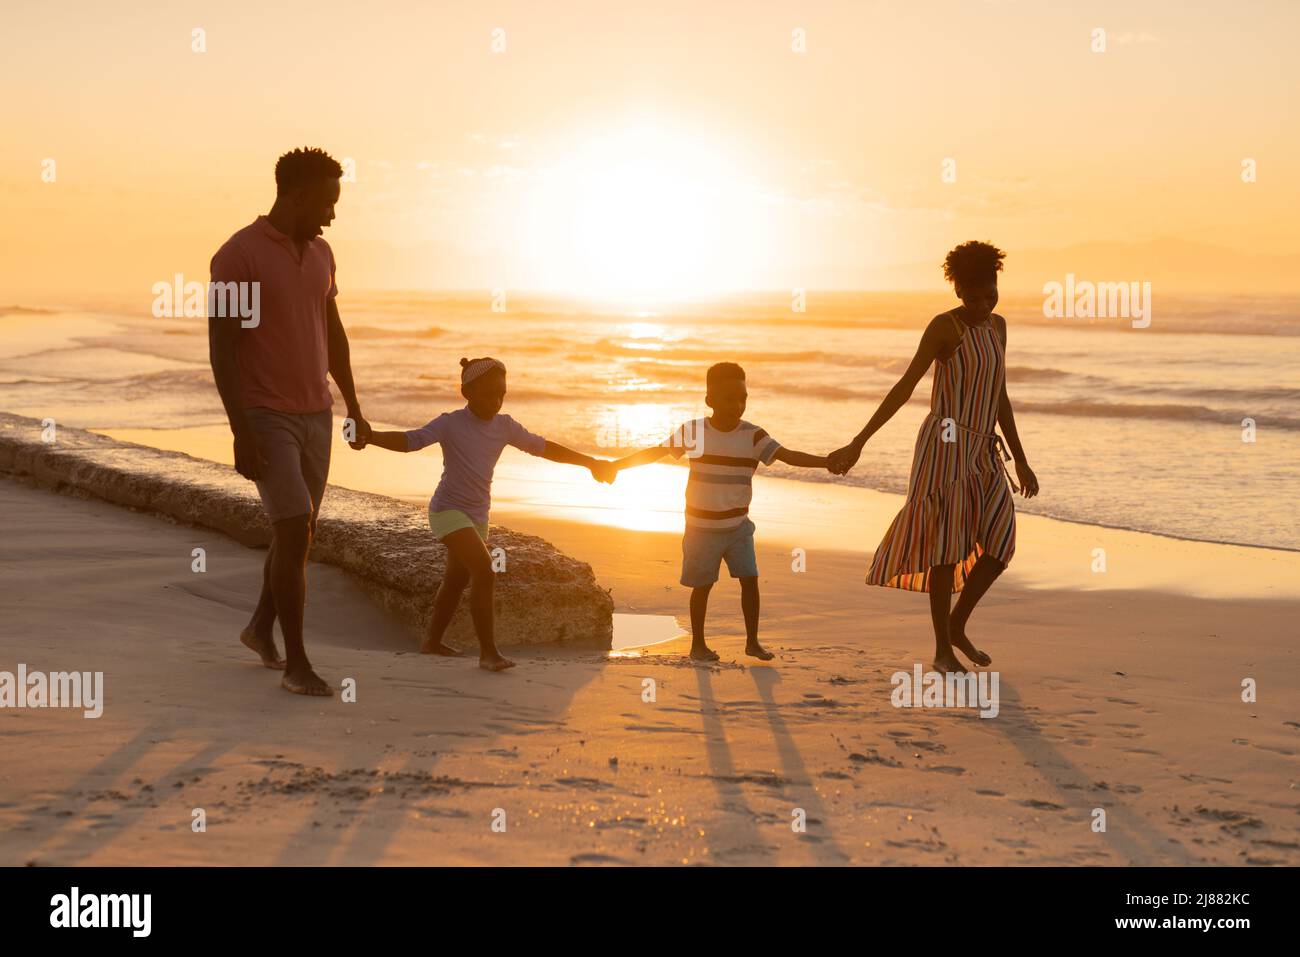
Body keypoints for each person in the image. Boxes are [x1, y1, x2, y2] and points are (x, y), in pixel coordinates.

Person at [828, 241, 1039, 673]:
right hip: (943, 449)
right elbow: (906, 385)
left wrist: (1020, 457)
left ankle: (958, 624)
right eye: (974, 295)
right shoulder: (945, 328)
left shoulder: (998, 327)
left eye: (990, 292)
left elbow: (999, 394)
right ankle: (942, 649)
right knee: (945, 548)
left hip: (983, 450)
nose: (983, 303)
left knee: (1000, 543)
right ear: (958, 289)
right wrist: (859, 441)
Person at [209, 146, 369, 696]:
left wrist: (353, 405)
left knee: (298, 534)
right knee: (293, 527)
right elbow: (223, 350)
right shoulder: (238, 256)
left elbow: (334, 333)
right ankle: (298, 665)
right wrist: (241, 430)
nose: (331, 214)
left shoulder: (323, 254)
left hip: (315, 415)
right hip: (265, 414)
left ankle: (258, 627)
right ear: (296, 195)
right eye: (326, 202)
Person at [357, 357, 616, 671]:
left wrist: (591, 462)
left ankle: (432, 642)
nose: (496, 400)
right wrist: (370, 437)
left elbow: (543, 447)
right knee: (484, 570)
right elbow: (411, 441)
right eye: (489, 393)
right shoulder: (450, 422)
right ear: (468, 391)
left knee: (455, 580)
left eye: (502, 394)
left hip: (477, 517)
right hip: (447, 511)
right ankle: (488, 654)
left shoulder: (504, 426)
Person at [613, 362, 831, 662]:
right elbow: (656, 451)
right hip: (701, 527)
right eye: (729, 398)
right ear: (710, 401)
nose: (738, 405)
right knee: (702, 587)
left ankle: (752, 642)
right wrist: (615, 465)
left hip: (738, 526)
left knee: (750, 580)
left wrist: (827, 462)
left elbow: (787, 455)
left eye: (743, 397)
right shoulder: (693, 431)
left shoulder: (753, 436)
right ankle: (698, 645)